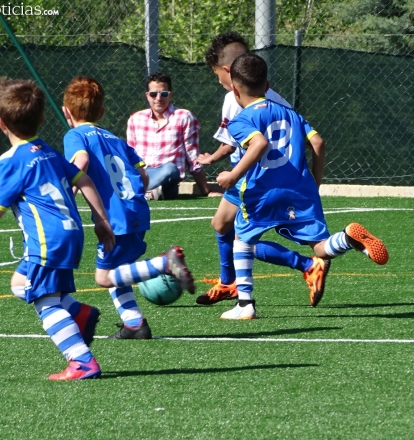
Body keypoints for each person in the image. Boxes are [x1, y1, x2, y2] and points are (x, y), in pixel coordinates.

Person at [216, 53, 389, 320]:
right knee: (320, 247)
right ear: (268, 85)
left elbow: (259, 144)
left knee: (242, 240)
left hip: (262, 191)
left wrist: (232, 174)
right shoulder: (291, 114)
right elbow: (318, 143)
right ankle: (347, 238)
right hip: (300, 190)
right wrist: (314, 184)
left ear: (235, 89)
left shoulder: (241, 120)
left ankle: (245, 304)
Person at [0, 78, 115, 381]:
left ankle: (82, 362)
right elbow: (84, 180)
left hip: (47, 241)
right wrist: (101, 221)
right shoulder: (50, 152)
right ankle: (78, 313)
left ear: (1, 123)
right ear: (42, 118)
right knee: (20, 283)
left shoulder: (13, 161)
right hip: (71, 233)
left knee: (44, 302)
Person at [196, 31, 328, 308]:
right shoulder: (268, 94)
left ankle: (304, 266)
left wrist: (227, 170)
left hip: (259, 177)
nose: (218, 81)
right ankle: (229, 283)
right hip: (269, 174)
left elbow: (252, 143)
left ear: (227, 72)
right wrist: (214, 157)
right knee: (221, 224)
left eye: (216, 75)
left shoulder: (235, 97)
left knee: (241, 239)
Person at [62, 76, 157, 339]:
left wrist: (68, 194)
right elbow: (144, 176)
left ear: (66, 111)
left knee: (103, 276)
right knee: (117, 271)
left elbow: (80, 162)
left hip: (114, 218)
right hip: (136, 211)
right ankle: (134, 323)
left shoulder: (75, 135)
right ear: (102, 112)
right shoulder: (115, 139)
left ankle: (164, 264)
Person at [126, 72, 215, 200]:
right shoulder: (135, 119)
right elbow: (131, 155)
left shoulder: (184, 116)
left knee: (170, 169)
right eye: (153, 94)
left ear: (170, 95)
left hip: (169, 175)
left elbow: (192, 156)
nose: (158, 98)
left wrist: (205, 191)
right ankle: (149, 193)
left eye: (163, 94)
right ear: (147, 96)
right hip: (143, 173)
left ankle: (136, 192)